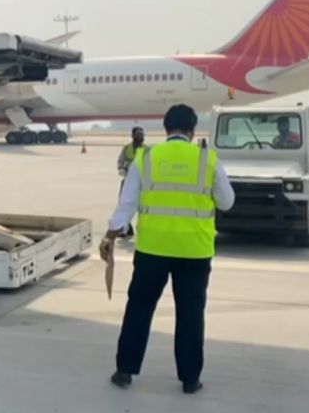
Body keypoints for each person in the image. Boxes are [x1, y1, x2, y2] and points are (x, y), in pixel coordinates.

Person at [99, 104, 235, 395]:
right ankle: (189, 379)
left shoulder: (147, 158)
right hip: (194, 252)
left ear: (165, 128)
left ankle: (125, 371)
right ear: (192, 130)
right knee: (190, 314)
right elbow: (227, 202)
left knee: (139, 309)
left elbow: (127, 203)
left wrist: (110, 236)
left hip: (152, 250)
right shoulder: (207, 159)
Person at [115, 126, 146, 237]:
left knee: (142, 207)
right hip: (128, 180)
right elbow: (121, 160)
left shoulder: (146, 150)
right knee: (124, 205)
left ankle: (142, 229)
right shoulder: (126, 148)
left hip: (143, 182)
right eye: (137, 135)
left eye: (141, 135)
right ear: (132, 136)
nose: (140, 137)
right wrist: (121, 168)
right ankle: (125, 229)